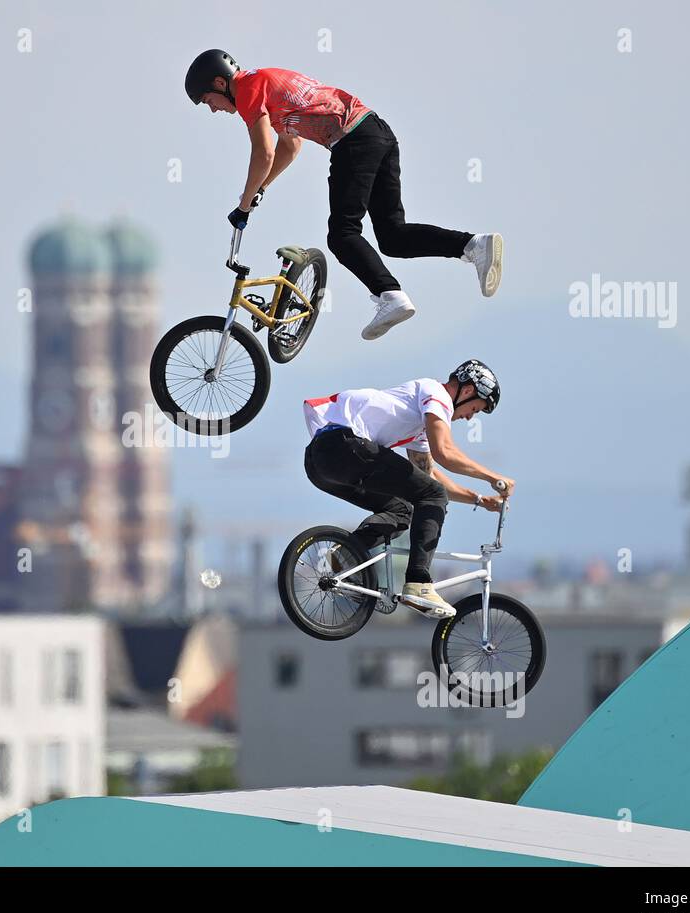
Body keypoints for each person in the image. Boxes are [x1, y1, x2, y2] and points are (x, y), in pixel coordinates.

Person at [185, 49, 503, 340]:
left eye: (207, 100)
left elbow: (263, 153)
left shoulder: (248, 89)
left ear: (220, 82)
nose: (212, 109)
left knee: (342, 234)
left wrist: (242, 206)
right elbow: (289, 146)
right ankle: (472, 244)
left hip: (353, 141)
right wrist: (262, 188)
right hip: (378, 133)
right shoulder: (265, 81)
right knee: (392, 236)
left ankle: (389, 295)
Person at [301, 360, 514, 619]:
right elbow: (444, 453)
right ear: (467, 391)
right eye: (475, 409)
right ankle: (419, 582)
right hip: (344, 447)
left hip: (320, 464)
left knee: (403, 509)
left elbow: (430, 474)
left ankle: (346, 553)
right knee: (431, 495)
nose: (469, 417)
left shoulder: (421, 427)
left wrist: (479, 499)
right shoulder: (436, 394)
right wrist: (493, 477)